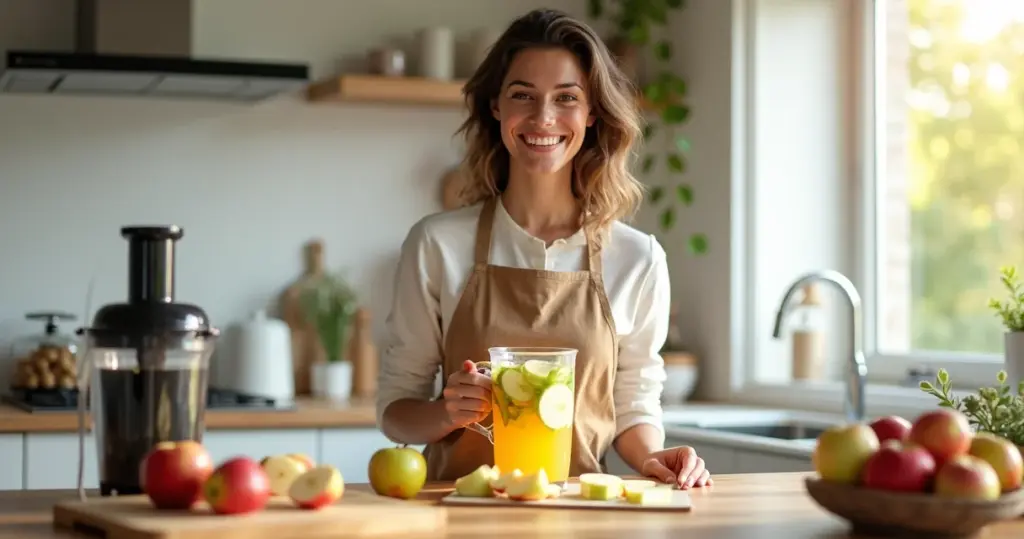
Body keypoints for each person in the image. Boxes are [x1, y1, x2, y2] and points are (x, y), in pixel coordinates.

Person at [375, 8, 711, 490]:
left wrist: (655, 457)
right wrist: (445, 413)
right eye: (523, 95)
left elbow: (633, 402)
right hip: (461, 512)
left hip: (581, 514)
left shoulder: (637, 259)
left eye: (566, 97)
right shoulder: (437, 244)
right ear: (496, 106)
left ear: (593, 112)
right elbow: (396, 412)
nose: (543, 117)